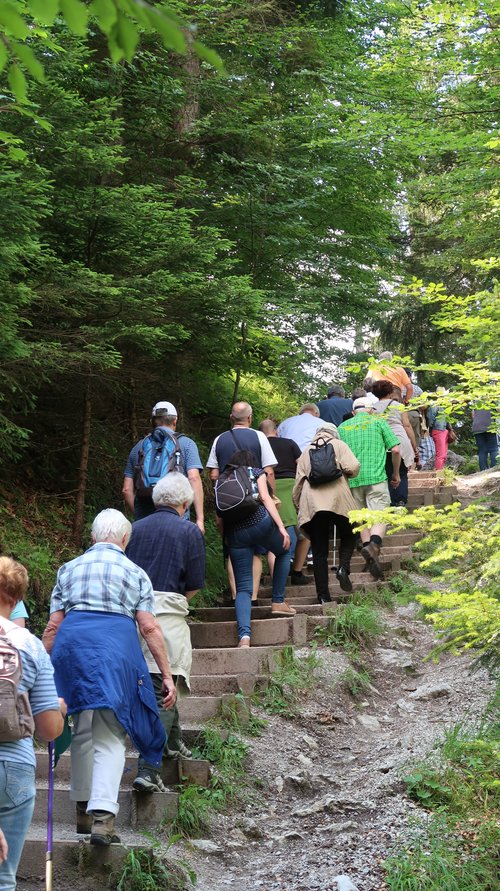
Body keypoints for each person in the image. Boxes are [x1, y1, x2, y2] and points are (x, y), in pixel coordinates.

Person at [42, 509, 176, 846]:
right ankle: (102, 818)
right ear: (125, 539)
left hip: (71, 650)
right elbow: (148, 627)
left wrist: (42, 668)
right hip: (113, 652)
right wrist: (167, 674)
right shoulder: (135, 573)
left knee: (82, 728)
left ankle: (83, 810)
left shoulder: (68, 569)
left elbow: (54, 625)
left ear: (93, 536)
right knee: (110, 732)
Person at [125, 474, 205, 790]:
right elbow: (195, 584)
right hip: (168, 616)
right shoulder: (188, 531)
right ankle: (149, 769)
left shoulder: (134, 530)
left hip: (132, 616)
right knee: (167, 688)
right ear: (184, 504)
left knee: (160, 684)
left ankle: (173, 742)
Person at [0, 557, 65, 889]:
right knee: (3, 876)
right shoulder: (29, 645)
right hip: (13, 767)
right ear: (15, 600)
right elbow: (49, 729)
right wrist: (59, 708)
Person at [221, 449, 294, 647]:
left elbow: (220, 516)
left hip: (235, 533)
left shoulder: (223, 477)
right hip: (259, 522)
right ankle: (278, 600)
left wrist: (226, 538)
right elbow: (265, 499)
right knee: (284, 550)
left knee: (243, 588)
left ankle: (244, 637)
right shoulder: (255, 471)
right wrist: (281, 527)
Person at [293, 424, 360, 600]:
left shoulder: (306, 451)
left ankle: (323, 597)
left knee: (319, 551)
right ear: (334, 433)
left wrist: (299, 507)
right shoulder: (339, 445)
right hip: (339, 500)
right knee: (351, 533)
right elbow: (353, 467)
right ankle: (343, 567)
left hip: (313, 505)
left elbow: (298, 484)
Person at [338, 397, 401, 579]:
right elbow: (396, 450)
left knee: (361, 519)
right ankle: (374, 544)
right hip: (376, 477)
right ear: (372, 410)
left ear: (353, 412)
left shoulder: (343, 428)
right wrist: (395, 473)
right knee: (380, 515)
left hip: (352, 480)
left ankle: (370, 557)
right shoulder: (379, 422)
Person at [123, 401, 205, 531]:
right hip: (178, 522)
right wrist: (200, 519)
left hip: (144, 522)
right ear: (175, 421)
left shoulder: (138, 447)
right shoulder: (186, 444)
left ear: (153, 421)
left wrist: (140, 516)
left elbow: (127, 490)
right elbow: (194, 478)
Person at [259, 419, 311, 585]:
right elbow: (302, 463)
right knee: (304, 532)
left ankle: (277, 580)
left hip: (266, 488)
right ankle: (296, 572)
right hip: (291, 487)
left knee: (276, 532)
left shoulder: (258, 444)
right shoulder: (289, 443)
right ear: (277, 431)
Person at [207, 401, 277, 487]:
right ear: (250, 418)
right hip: (254, 495)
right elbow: (269, 472)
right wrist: (271, 497)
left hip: (227, 495)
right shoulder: (260, 436)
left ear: (231, 418)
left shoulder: (219, 439)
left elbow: (214, 475)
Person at [372, 380, 419, 506]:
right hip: (399, 439)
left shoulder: (372, 408)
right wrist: (414, 445)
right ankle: (401, 501)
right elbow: (407, 426)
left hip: (381, 442)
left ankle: (390, 502)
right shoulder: (398, 406)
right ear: (390, 391)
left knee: (386, 472)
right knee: (402, 472)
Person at [427, 395, 450, 470]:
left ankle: (441, 471)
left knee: (443, 454)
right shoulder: (435, 405)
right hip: (438, 430)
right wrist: (430, 428)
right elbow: (431, 418)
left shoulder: (445, 406)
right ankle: (438, 472)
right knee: (440, 454)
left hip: (444, 430)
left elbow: (447, 419)